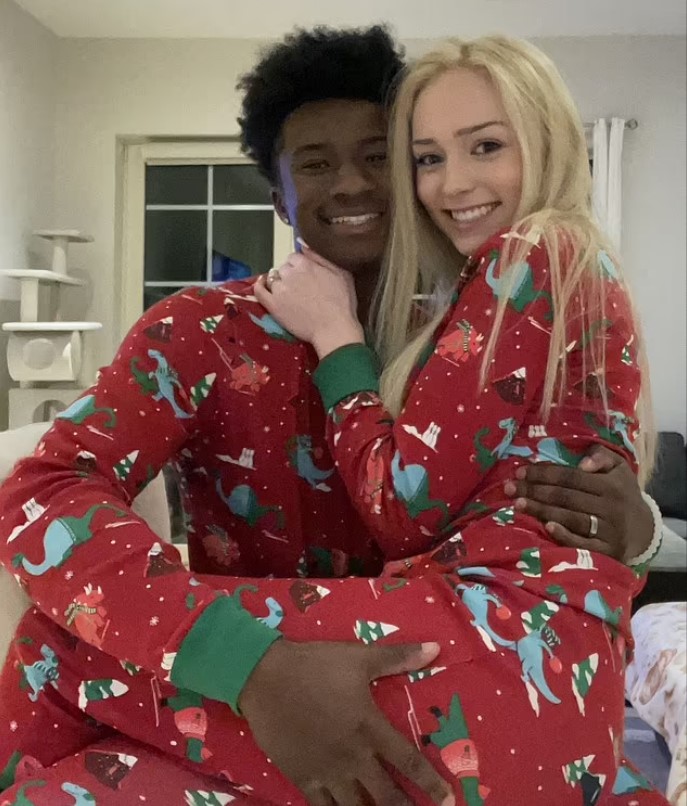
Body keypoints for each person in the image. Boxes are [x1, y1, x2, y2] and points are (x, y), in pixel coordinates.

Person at [0, 27, 663, 806]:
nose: (350, 183)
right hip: (261, 711)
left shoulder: (480, 319)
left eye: (382, 156)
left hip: (451, 698)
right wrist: (246, 662)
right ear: (277, 193)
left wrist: (638, 528)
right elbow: (45, 493)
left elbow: (535, 526)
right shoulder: (204, 331)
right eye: (314, 164)